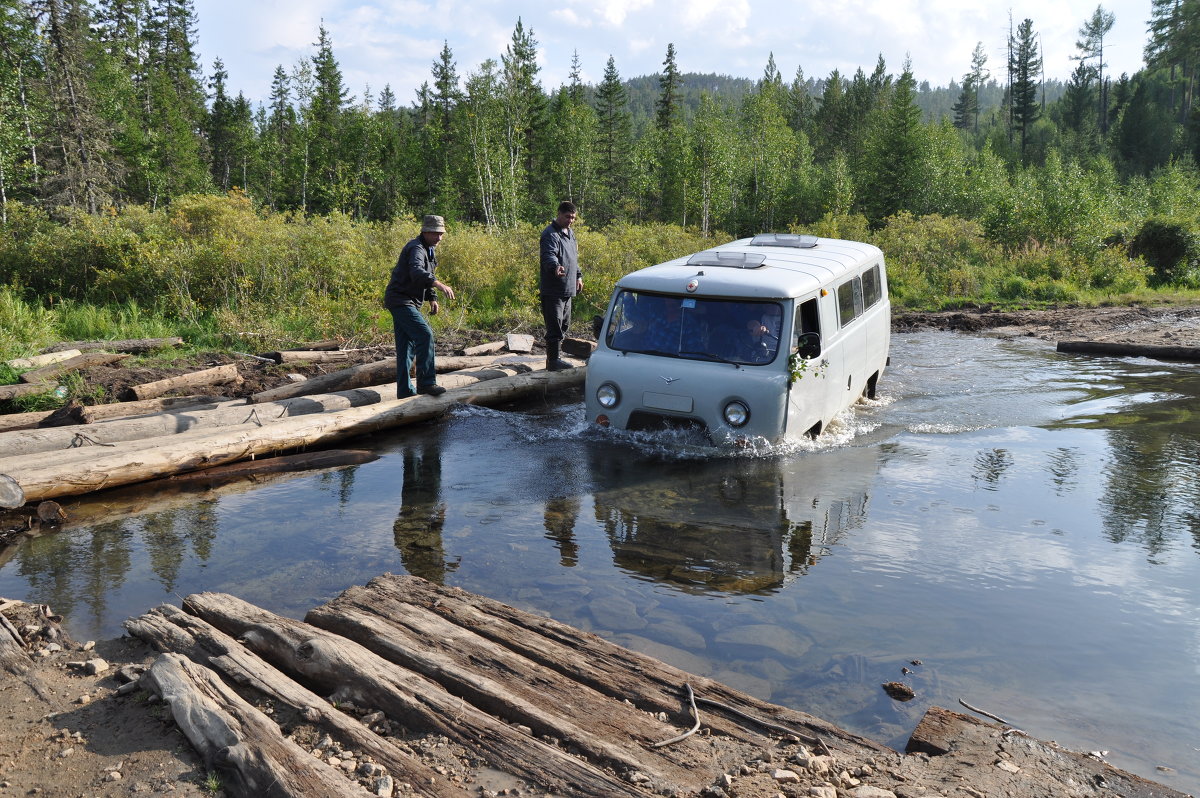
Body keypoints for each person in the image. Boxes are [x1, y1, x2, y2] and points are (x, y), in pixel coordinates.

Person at [384, 214, 456, 398]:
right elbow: (417, 271)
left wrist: (432, 297)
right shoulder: (416, 248)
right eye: (435, 233)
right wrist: (439, 285)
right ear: (425, 232)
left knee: (406, 348)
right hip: (401, 300)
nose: (439, 238)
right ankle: (426, 384)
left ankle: (405, 392)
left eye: (442, 234)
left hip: (407, 301)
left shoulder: (429, 249)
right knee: (425, 334)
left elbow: (427, 272)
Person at [539, 200, 583, 371]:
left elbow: (574, 258)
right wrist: (555, 267)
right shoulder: (550, 234)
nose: (570, 220)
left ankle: (556, 358)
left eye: (573, 217)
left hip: (568, 287)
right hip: (553, 289)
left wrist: (578, 276)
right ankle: (553, 361)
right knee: (554, 325)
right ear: (559, 214)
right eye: (567, 217)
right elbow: (548, 255)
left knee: (564, 323)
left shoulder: (570, 233)